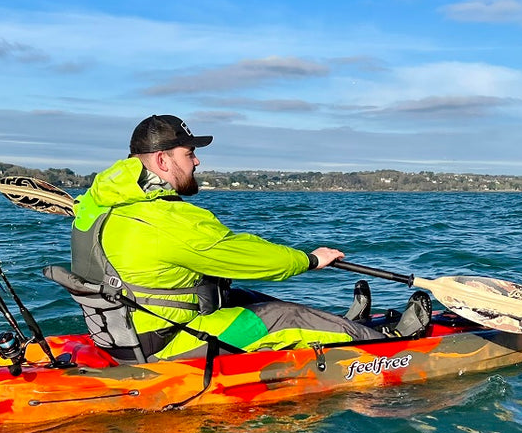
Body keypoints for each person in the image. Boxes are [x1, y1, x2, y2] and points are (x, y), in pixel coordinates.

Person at [57, 114, 431, 362]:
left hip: (125, 334)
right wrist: (309, 259)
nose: (197, 162)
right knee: (286, 315)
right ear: (161, 161)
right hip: (168, 341)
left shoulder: (97, 204)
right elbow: (240, 255)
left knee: (239, 296)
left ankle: (346, 328)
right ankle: (388, 347)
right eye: (189, 154)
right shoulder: (162, 217)